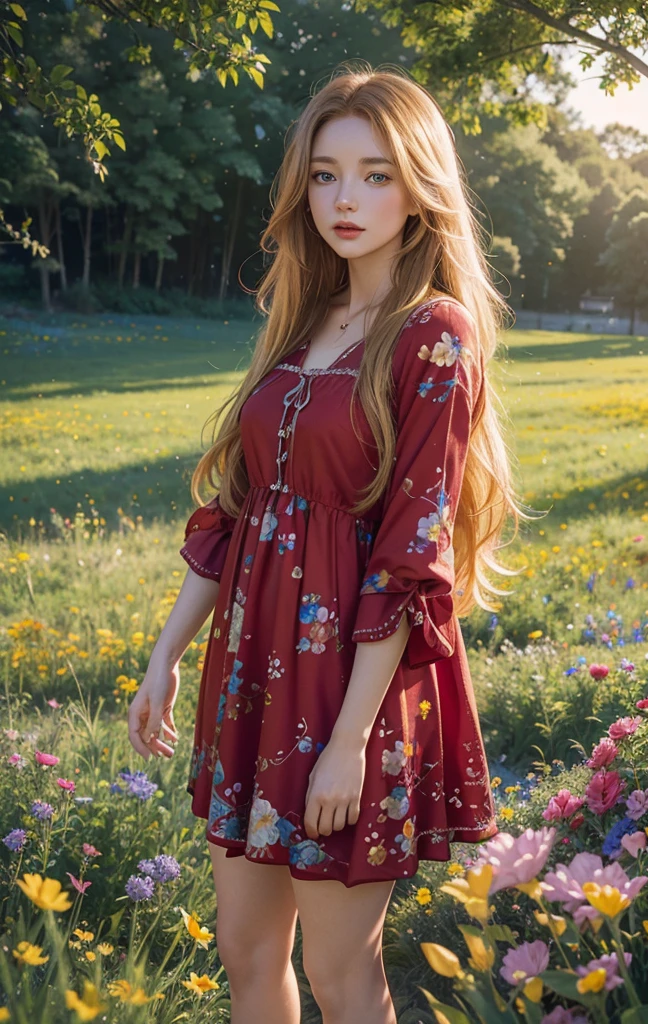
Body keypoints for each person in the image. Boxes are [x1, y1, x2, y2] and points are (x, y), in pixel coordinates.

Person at [128, 62, 530, 1024]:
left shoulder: (434, 336)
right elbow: (237, 506)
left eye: (376, 174)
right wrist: (168, 654)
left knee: (342, 974)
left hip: (356, 685)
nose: (345, 198)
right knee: (245, 948)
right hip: (256, 671)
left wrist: (348, 741)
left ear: (419, 183)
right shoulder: (303, 317)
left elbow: (411, 552)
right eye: (324, 174)